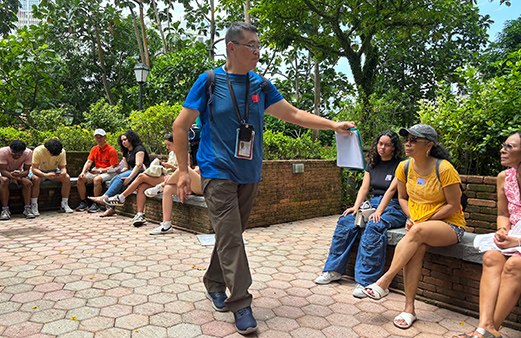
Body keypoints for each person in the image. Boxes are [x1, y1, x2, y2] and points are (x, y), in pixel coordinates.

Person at [171, 22, 355, 335]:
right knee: (231, 236)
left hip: (249, 172)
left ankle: (214, 281)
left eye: (259, 46)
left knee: (232, 234)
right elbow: (180, 126)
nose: (257, 52)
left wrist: (332, 124)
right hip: (217, 171)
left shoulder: (260, 85)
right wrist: (183, 171)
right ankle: (241, 302)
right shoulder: (209, 81)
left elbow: (294, 114)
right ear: (232, 47)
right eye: (251, 46)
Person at [362, 124, 465, 330]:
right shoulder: (405, 167)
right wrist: (413, 217)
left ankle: (384, 281)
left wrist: (423, 221)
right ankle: (409, 309)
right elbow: (402, 198)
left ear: (429, 145)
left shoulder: (444, 169)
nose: (408, 143)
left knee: (416, 233)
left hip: (449, 224)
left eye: (413, 140)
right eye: (407, 139)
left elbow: (454, 205)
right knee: (415, 251)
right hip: (419, 226)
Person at [314, 131, 407, 298]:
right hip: (374, 203)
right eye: (380, 144)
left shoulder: (400, 165)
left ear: (394, 147)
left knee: (374, 225)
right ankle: (333, 270)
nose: (383, 148)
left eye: (387, 145)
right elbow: (364, 188)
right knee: (346, 221)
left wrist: (378, 212)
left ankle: (366, 281)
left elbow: (392, 190)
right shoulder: (372, 164)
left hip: (395, 206)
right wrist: (356, 208)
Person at [455, 132, 521, 338]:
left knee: (514, 266)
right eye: (503, 145)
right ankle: (485, 326)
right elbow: (503, 213)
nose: (502, 150)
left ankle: (487, 331)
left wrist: (520, 240)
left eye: (509, 147)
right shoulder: (504, 177)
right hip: (515, 236)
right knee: (490, 257)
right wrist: (502, 231)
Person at [101, 133, 178, 227]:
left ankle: (121, 197)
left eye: (169, 145)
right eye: (166, 145)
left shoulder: (183, 153)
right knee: (142, 186)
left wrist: (172, 166)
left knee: (141, 177)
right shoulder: (171, 153)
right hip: (165, 176)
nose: (167, 147)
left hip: (173, 178)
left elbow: (186, 171)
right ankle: (140, 214)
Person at [89, 130, 150, 217]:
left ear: (131, 139)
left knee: (119, 178)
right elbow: (125, 167)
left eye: (125, 140)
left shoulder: (139, 149)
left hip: (142, 170)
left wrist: (129, 177)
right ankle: (110, 208)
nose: (123, 142)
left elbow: (139, 165)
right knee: (114, 179)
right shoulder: (126, 151)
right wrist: (119, 172)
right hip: (133, 170)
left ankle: (105, 197)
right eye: (122, 141)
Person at [148, 164, 202, 235]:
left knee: (183, 169)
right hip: (194, 183)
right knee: (168, 189)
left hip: (207, 185)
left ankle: (162, 185)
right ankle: (166, 225)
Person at [76, 129, 119, 213]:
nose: (99, 139)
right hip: (96, 169)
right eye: (96, 137)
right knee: (80, 179)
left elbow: (113, 167)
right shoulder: (94, 149)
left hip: (109, 171)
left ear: (105, 137)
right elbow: (89, 162)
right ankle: (84, 201)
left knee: (97, 179)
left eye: (101, 137)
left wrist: (100, 171)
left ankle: (97, 203)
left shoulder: (111, 150)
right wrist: (83, 172)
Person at [30, 138, 73, 215]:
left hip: (53, 171)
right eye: (52, 154)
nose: (53, 156)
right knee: (36, 179)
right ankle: (34, 205)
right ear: (47, 149)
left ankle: (64, 204)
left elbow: (63, 167)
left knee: (66, 178)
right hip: (40, 171)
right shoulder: (38, 150)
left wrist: (63, 173)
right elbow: (34, 169)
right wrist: (45, 175)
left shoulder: (62, 152)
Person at [0, 140, 34, 219]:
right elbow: (3, 171)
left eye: (20, 154)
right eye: (14, 153)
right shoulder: (2, 152)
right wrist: (21, 179)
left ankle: (27, 208)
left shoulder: (28, 153)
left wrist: (20, 175)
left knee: (28, 181)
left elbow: (26, 170)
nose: (17, 156)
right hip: (4, 173)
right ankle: (5, 209)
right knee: (4, 181)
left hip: (18, 171)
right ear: (10, 149)